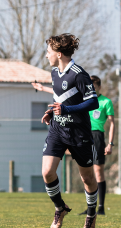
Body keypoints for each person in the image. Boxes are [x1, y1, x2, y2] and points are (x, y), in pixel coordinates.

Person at [40, 34, 99, 228]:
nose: (46, 56)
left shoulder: (79, 74)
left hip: (79, 134)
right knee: (47, 172)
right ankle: (60, 208)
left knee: (87, 179)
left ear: (58, 53)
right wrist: (51, 112)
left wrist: (66, 110)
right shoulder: (54, 73)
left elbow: (93, 102)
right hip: (57, 130)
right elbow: (60, 100)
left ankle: (91, 214)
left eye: (48, 52)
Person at [33, 77, 115, 216]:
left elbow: (112, 123)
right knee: (82, 174)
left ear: (98, 87)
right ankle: (85, 207)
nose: (90, 88)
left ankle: (99, 207)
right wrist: (42, 88)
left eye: (93, 86)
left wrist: (111, 143)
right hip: (79, 132)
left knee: (96, 173)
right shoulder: (82, 98)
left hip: (96, 136)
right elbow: (62, 95)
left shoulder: (105, 102)